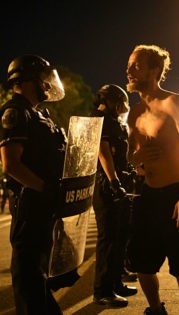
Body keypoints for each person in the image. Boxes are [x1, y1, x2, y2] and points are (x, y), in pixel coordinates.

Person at [125, 44, 179, 315]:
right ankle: (156, 309)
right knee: (141, 264)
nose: (129, 70)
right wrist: (137, 158)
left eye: (136, 65)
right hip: (148, 196)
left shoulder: (173, 103)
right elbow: (130, 158)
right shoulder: (134, 114)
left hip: (176, 194)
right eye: (129, 65)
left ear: (155, 70)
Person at [0, 55, 66, 314]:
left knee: (39, 274)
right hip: (30, 206)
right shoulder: (15, 112)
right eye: (43, 80)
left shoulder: (39, 114)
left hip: (44, 206)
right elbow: (12, 164)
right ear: (28, 80)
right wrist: (44, 188)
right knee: (28, 277)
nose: (47, 85)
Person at [91, 84, 138, 307]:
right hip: (107, 186)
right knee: (108, 240)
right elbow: (103, 152)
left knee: (121, 237)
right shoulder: (99, 119)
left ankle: (116, 282)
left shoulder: (115, 122)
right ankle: (102, 290)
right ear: (109, 101)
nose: (121, 107)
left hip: (120, 184)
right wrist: (114, 181)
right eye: (118, 102)